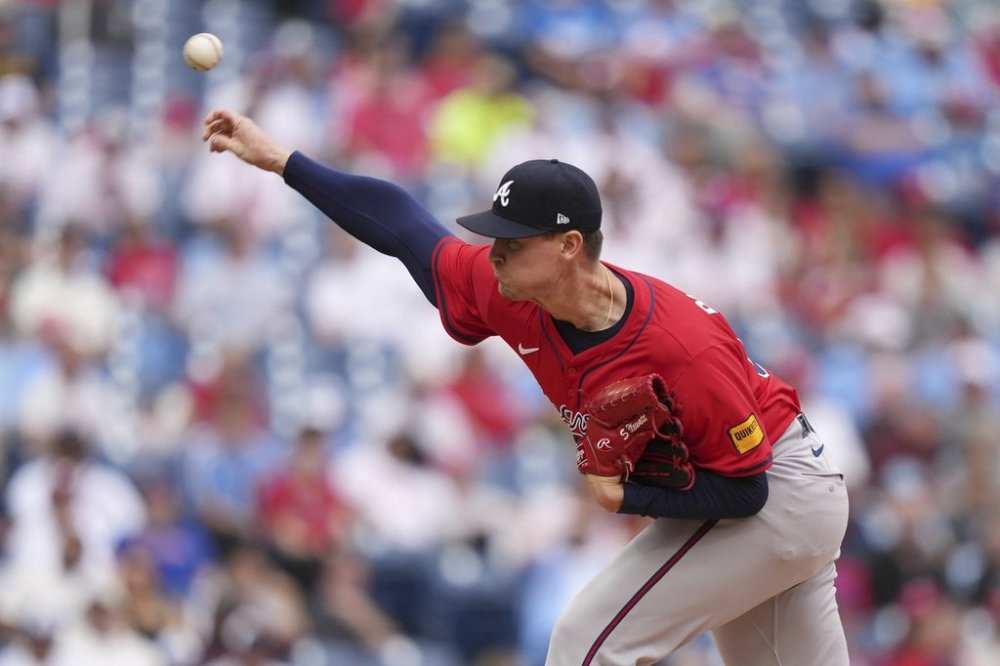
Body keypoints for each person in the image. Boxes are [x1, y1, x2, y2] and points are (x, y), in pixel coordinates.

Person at [202, 108, 851, 665]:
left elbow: (746, 489)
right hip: (772, 497)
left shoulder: (679, 347)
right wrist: (284, 161)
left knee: (586, 641)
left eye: (513, 242)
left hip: (776, 493)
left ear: (569, 246)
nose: (495, 252)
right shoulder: (510, 287)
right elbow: (402, 224)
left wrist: (627, 493)